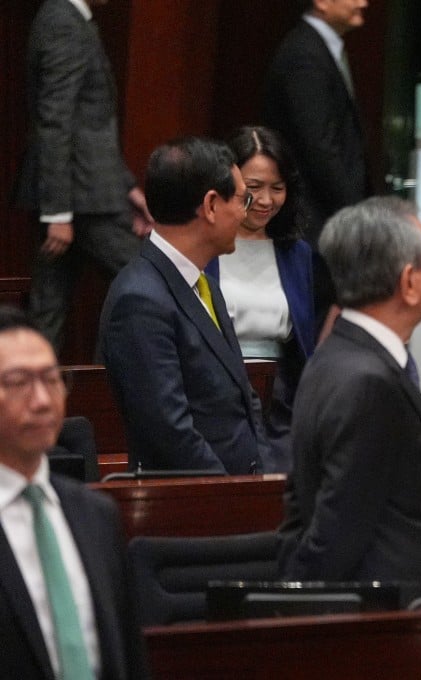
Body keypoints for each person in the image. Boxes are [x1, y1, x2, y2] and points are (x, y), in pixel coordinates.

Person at [278, 197, 421, 590]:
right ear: (408, 283)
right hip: (390, 617)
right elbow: (337, 532)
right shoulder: (367, 384)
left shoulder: (333, 355)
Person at [98, 137, 268, 475]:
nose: (245, 212)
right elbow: (169, 429)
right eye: (242, 199)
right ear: (210, 205)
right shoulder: (139, 299)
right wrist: (229, 495)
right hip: (195, 509)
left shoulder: (205, 284)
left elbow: (244, 400)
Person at [0, 306, 149, 679]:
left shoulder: (96, 515)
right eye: (19, 382)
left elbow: (130, 659)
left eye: (52, 379)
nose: (42, 401)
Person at [13, 0, 154, 355]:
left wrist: (127, 187)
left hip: (85, 192)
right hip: (80, 200)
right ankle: (104, 392)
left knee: (49, 308)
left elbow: (89, 126)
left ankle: (36, 402)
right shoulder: (63, 20)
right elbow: (55, 120)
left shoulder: (71, 18)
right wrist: (58, 212)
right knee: (148, 278)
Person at [205, 126, 317, 473]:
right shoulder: (205, 251)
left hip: (282, 401)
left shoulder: (296, 254)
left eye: (277, 188)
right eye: (254, 188)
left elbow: (304, 344)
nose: (267, 200)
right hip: (217, 394)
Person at [263, 0, 370, 246]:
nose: (363, 2)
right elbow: (320, 148)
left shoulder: (316, 49)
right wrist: (356, 216)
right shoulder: (304, 56)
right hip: (317, 227)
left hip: (327, 223)